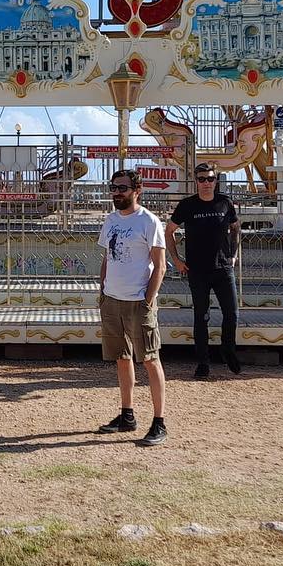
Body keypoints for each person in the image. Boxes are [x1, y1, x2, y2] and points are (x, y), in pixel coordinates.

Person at [95, 168, 169, 447]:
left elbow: (160, 266)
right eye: (114, 188)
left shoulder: (149, 221)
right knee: (122, 358)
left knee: (150, 359)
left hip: (138, 301)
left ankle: (159, 421)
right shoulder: (111, 220)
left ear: (137, 190)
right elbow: (107, 257)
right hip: (112, 299)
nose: (117, 193)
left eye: (122, 188)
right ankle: (127, 414)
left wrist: (147, 300)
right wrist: (103, 290)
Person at [166, 163, 241, 379]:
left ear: (215, 181)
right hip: (197, 270)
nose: (206, 183)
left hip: (223, 268)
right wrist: (176, 260)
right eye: (201, 179)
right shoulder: (187, 205)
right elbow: (169, 231)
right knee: (202, 316)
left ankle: (228, 350)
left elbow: (236, 228)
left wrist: (233, 255)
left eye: (210, 179)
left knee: (232, 313)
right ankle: (203, 363)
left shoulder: (225, 202)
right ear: (196, 182)